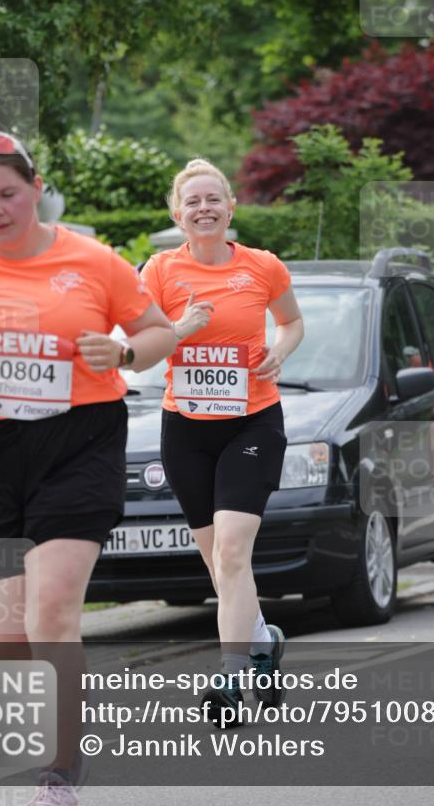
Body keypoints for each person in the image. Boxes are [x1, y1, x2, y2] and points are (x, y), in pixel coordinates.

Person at [0, 131, 176, 805]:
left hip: (78, 445)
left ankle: (61, 763)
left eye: (8, 194)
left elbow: (159, 331)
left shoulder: (94, 260)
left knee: (51, 610)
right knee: (4, 632)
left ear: (36, 186)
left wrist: (122, 355)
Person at [141, 158, 304, 725]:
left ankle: (230, 679)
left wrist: (280, 352)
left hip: (252, 422)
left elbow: (290, 323)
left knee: (233, 552)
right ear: (177, 214)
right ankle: (263, 640)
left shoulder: (262, 267)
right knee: (217, 562)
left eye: (214, 199)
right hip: (184, 427)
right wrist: (178, 330)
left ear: (230, 208)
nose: (204, 208)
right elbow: (139, 346)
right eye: (193, 202)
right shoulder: (159, 271)